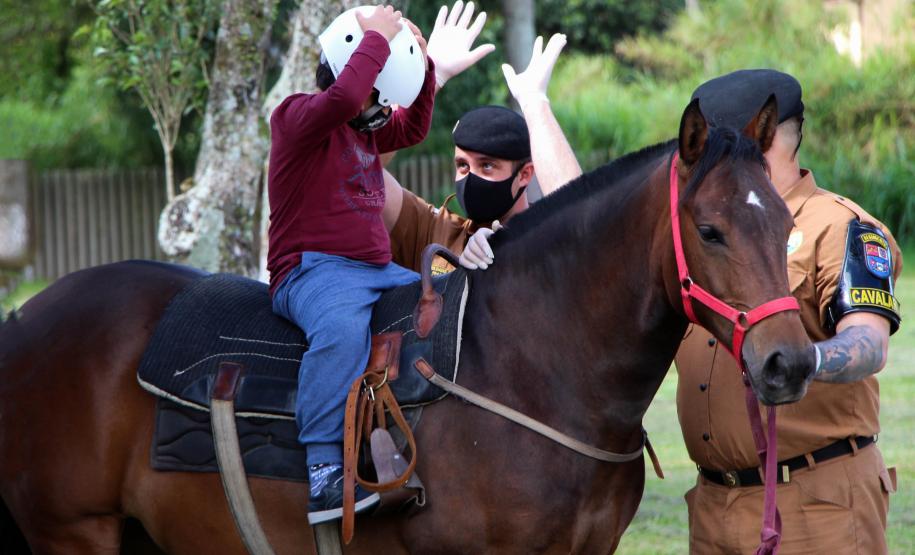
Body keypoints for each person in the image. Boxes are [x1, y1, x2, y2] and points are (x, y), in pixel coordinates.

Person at [675, 69, 902, 554]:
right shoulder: (699, 229)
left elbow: (869, 341)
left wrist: (811, 360)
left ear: (774, 135)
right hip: (715, 503)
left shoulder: (842, 227)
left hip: (816, 502)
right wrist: (539, 108)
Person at [266, 4, 438, 524]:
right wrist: (377, 37)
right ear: (350, 67)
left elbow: (413, 129)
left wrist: (425, 67)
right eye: (376, 91)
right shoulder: (296, 117)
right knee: (341, 331)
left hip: (376, 271)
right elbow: (342, 96)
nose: (382, 108)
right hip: (311, 271)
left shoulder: (364, 131)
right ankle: (323, 470)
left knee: (447, 301)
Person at [382, 34, 582, 273]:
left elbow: (580, 211)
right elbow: (358, 168)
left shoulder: (545, 237)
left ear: (525, 174)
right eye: (463, 165)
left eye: (487, 166)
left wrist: (534, 101)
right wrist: (428, 79)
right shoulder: (432, 231)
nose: (470, 177)